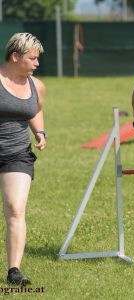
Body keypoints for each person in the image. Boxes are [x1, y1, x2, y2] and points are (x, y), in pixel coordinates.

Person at [0, 33, 46, 286]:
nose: (37, 63)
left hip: (16, 155)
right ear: (15, 57)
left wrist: (39, 131)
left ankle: (14, 271)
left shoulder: (36, 85)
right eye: (32, 58)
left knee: (15, 209)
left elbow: (36, 110)